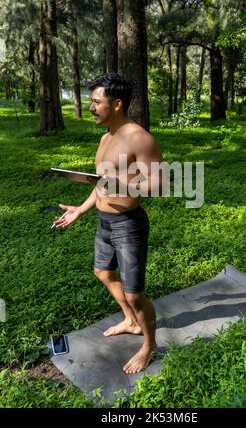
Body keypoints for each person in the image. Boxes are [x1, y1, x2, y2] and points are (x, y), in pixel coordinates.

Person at [54, 73, 164, 374]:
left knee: (134, 292)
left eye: (96, 102)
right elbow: (102, 184)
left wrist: (124, 187)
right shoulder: (106, 138)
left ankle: (150, 345)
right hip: (104, 221)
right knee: (103, 271)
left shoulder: (140, 138)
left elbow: (161, 184)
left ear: (116, 104)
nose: (91, 107)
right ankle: (130, 321)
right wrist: (81, 209)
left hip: (128, 223)